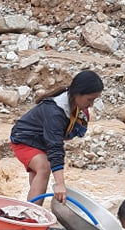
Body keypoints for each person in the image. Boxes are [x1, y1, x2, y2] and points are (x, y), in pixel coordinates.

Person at [10, 69, 104, 203]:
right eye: (90, 99)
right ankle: (31, 217)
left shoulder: (74, 105)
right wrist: (60, 184)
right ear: (78, 92)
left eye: (94, 100)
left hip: (41, 141)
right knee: (44, 167)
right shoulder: (55, 111)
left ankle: (31, 213)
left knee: (39, 173)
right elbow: (55, 147)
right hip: (24, 139)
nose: (91, 104)